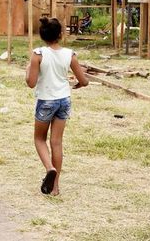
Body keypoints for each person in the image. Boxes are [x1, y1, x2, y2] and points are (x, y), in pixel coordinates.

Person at [25, 17, 89, 196]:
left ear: (42, 35)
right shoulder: (70, 54)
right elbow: (84, 80)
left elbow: (31, 83)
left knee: (39, 139)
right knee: (57, 142)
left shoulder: (38, 54)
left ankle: (49, 168)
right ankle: (55, 187)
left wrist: (27, 71)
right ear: (60, 34)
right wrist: (79, 84)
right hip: (64, 100)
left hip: (46, 100)